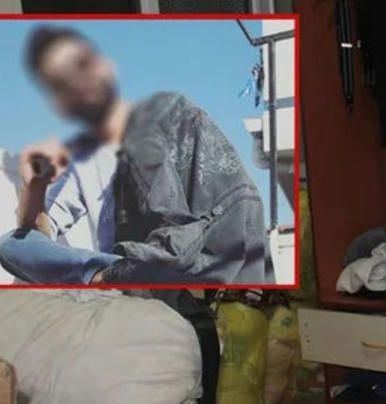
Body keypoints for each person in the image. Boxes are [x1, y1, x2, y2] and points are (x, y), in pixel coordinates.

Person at [0, 25, 266, 284]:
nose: (77, 82)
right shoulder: (81, 160)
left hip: (189, 268)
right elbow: (37, 240)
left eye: (81, 64)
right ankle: (107, 273)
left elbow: (237, 208)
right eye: (61, 83)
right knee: (11, 244)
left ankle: (125, 272)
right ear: (59, 102)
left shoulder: (173, 112)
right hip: (126, 278)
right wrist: (34, 185)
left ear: (105, 64)